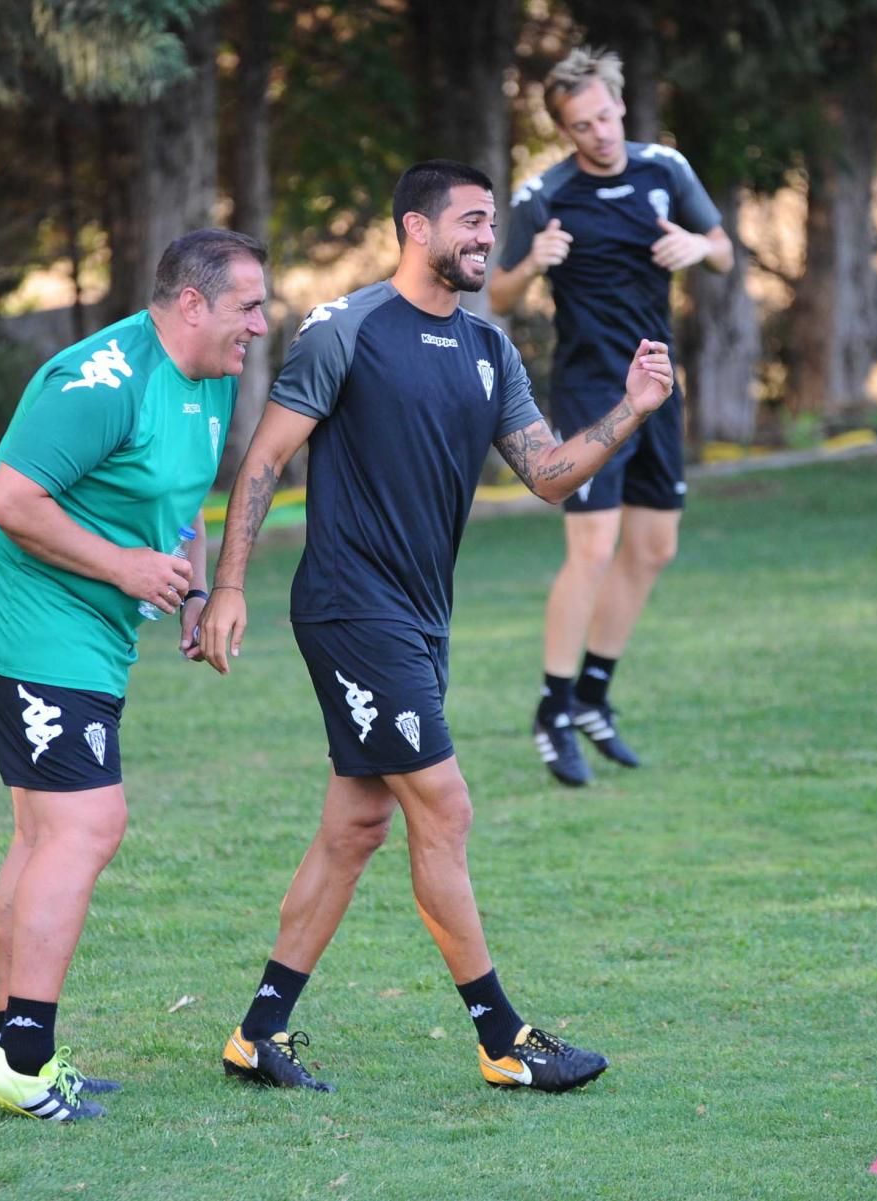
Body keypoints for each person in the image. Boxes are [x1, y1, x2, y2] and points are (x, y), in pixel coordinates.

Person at [197, 160, 674, 1093]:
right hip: (348, 603)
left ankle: (258, 1034)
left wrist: (633, 409)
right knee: (445, 806)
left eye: (491, 222)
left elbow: (547, 474)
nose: (484, 237)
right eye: (468, 221)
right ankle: (504, 1038)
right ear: (414, 227)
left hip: (420, 618)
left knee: (357, 824)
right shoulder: (347, 329)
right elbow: (264, 459)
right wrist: (230, 586)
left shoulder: (492, 349)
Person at [0, 228, 268, 1121]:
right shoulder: (100, 381)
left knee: (44, 833)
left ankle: (21, 1048)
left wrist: (198, 590)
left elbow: (181, 502)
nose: (261, 324)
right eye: (248, 305)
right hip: (25, 623)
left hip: (84, 632)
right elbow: (11, 500)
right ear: (192, 303)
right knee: (88, 824)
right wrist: (127, 570)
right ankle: (23, 1062)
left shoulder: (209, 379)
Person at [489, 47, 734, 787]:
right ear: (563, 130)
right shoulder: (547, 192)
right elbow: (496, 293)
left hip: (657, 381)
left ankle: (594, 695)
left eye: (605, 116)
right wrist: (534, 261)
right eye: (581, 125)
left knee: (654, 547)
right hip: (594, 391)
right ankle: (552, 709)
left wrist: (698, 245)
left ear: (621, 104)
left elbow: (722, 251)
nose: (598, 133)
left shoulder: (666, 169)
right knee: (592, 551)